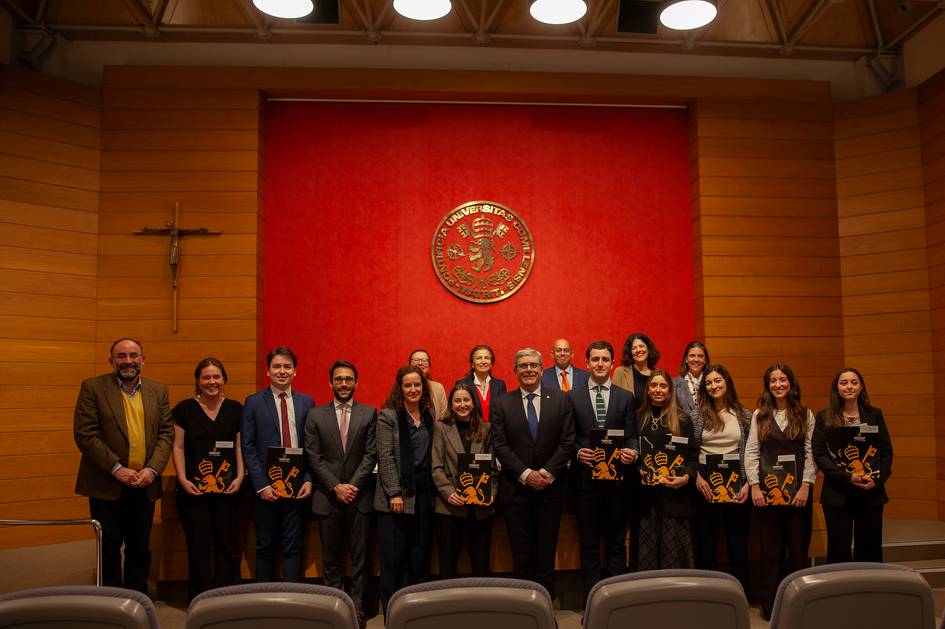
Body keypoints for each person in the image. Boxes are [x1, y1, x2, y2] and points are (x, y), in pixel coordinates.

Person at [73, 337, 174, 595]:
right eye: (121, 356)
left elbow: (166, 434)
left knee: (139, 547)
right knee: (109, 547)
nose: (127, 361)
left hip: (145, 483)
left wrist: (152, 470)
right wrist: (118, 469)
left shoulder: (158, 390)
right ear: (111, 361)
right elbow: (86, 435)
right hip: (106, 484)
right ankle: (109, 603)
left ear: (142, 359)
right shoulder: (93, 388)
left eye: (133, 355)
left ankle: (136, 599)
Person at [492, 348, 575, 599]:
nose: (528, 370)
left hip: (550, 491)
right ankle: (525, 607)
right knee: (521, 554)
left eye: (533, 365)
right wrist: (526, 474)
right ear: (515, 370)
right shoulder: (502, 403)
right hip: (516, 491)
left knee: (546, 552)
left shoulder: (561, 399)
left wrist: (547, 473)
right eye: (523, 366)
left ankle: (545, 606)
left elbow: (567, 441)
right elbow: (500, 445)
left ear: (541, 369)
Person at [304, 361, 377, 624]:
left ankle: (357, 611)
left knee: (360, 560)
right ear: (330, 383)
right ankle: (333, 611)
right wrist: (336, 486)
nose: (343, 384)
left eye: (348, 379)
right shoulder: (315, 415)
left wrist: (352, 486)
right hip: (328, 497)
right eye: (338, 379)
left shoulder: (369, 413)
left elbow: (371, 455)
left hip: (360, 498)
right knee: (331, 560)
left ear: (356, 383)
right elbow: (313, 456)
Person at [744, 363, 816, 620]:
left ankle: (801, 605)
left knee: (798, 553)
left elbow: (810, 453)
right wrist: (754, 486)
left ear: (790, 383)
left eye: (782, 379)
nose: (778, 385)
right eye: (773, 380)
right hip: (767, 496)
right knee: (771, 553)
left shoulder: (805, 414)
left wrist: (806, 485)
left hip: (798, 496)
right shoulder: (758, 415)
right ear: (768, 385)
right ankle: (770, 607)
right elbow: (752, 452)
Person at [171, 357, 244, 600]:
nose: (212, 382)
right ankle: (200, 598)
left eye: (216, 377)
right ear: (198, 381)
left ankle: (227, 597)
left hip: (229, 489)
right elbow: (178, 447)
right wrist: (182, 478)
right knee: (198, 546)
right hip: (193, 490)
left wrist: (241, 476)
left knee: (227, 545)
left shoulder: (236, 409)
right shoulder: (183, 409)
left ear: (224, 380)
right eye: (206, 377)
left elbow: (238, 448)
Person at [241, 346, 315, 582]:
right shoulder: (253, 402)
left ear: (295, 371)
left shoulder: (307, 402)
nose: (282, 371)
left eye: (287, 367)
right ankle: (264, 600)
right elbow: (248, 446)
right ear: (268, 371)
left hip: (297, 486)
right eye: (277, 366)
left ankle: (292, 599)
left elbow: (313, 447)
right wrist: (261, 485)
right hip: (265, 488)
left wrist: (308, 479)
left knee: (294, 546)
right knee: (265, 546)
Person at [571, 341, 637, 596]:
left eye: (605, 359)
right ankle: (593, 600)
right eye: (595, 359)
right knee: (588, 545)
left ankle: (616, 601)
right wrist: (578, 452)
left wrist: (632, 451)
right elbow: (569, 436)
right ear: (587, 363)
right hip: (586, 482)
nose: (600, 364)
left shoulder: (625, 396)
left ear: (612, 363)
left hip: (618, 482)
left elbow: (631, 435)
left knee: (617, 543)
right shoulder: (573, 396)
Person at [813, 367, 893, 563]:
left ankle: (870, 590)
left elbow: (886, 451)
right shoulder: (825, 417)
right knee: (838, 550)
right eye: (844, 383)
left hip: (870, 490)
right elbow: (819, 454)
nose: (849, 386)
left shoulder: (875, 415)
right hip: (838, 493)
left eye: (854, 382)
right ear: (836, 388)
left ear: (861, 386)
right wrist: (847, 477)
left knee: (870, 549)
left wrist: (877, 480)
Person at [374, 365, 436, 613]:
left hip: (424, 494)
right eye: (408, 385)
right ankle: (392, 614)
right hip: (395, 498)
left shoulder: (428, 415)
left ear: (424, 388)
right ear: (400, 388)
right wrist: (394, 493)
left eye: (417, 385)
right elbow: (385, 456)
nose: (413, 389)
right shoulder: (388, 416)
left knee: (419, 557)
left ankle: (415, 613)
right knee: (393, 560)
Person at [690, 364, 751, 592]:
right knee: (707, 542)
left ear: (727, 383)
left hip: (738, 482)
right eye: (709, 383)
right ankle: (707, 593)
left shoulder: (745, 415)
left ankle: (740, 592)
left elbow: (752, 452)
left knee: (737, 541)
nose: (713, 386)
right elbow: (690, 453)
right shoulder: (696, 416)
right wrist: (696, 478)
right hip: (705, 482)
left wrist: (748, 483)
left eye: (718, 381)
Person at [431, 384, 495, 579]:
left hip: (481, 506)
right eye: (457, 400)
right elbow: (436, 466)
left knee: (481, 561)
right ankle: (448, 606)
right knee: (448, 561)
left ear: (474, 403)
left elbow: (493, 467)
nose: (462, 404)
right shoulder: (441, 427)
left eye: (466, 400)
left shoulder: (486, 428)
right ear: (451, 404)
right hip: (449, 505)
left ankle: (481, 604)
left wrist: (491, 493)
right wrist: (448, 492)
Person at [635, 370, 696, 570]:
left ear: (670, 391)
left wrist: (686, 477)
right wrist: (639, 471)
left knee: (674, 556)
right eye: (654, 386)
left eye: (663, 386)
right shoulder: (639, 418)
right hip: (646, 500)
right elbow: (634, 454)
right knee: (647, 556)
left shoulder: (683, 419)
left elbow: (693, 457)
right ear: (648, 389)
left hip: (675, 498)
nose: (658, 390)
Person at [455, 344, 507, 423]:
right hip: (470, 431)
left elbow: (503, 412)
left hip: (495, 432)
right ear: (472, 364)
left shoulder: (500, 385)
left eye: (487, 358)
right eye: (479, 358)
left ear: (491, 363)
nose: (483, 362)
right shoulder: (462, 384)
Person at [613, 332, 660, 402]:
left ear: (648, 349)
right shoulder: (620, 372)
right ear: (630, 353)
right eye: (634, 348)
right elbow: (614, 400)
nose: (638, 350)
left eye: (641, 346)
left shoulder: (657, 374)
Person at [409, 349, 448, 420]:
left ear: (429, 366)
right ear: (409, 365)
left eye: (424, 360)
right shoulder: (403, 386)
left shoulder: (438, 387)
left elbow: (443, 416)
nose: (420, 363)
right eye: (416, 360)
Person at [674, 341, 710, 414]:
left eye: (700, 356)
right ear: (686, 359)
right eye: (692, 356)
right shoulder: (675, 384)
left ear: (705, 360)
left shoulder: (711, 382)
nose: (696, 360)